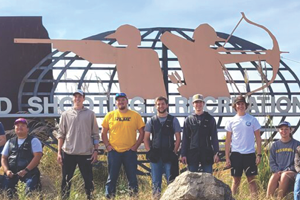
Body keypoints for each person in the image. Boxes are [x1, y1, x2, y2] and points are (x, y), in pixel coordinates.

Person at [57, 89, 99, 199]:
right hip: (68, 152)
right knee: (66, 180)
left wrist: (96, 150)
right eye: (75, 96)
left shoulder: (90, 114)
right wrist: (59, 153)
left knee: (88, 180)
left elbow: (95, 134)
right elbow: (61, 134)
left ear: (84, 99)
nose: (77, 98)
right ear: (72, 98)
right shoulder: (65, 114)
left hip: (85, 153)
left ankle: (90, 197)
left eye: (80, 96)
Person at [101, 92, 145, 198]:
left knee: (132, 178)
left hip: (129, 152)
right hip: (114, 152)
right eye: (119, 100)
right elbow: (103, 132)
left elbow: (142, 133)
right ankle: (110, 197)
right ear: (116, 103)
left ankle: (133, 197)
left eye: (123, 100)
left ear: (127, 101)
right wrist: (107, 146)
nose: (121, 102)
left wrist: (135, 147)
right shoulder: (110, 115)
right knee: (112, 178)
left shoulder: (135, 115)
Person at [225, 95, 262, 199]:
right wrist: (227, 157)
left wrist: (259, 154)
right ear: (235, 106)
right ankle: (232, 198)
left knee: (252, 180)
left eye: (242, 104)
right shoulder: (231, 121)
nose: (240, 106)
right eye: (238, 104)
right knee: (236, 180)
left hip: (250, 154)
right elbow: (228, 141)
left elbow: (258, 138)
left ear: (245, 105)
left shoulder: (252, 119)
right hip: (236, 154)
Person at [144, 96, 181, 198]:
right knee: (156, 182)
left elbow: (178, 137)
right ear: (156, 106)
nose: (161, 106)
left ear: (167, 105)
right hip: (155, 155)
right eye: (158, 104)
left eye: (163, 104)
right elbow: (146, 138)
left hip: (169, 155)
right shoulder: (151, 120)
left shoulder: (173, 120)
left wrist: (174, 151)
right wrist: (149, 151)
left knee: (171, 181)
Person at [1, 118, 42, 197]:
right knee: (5, 192)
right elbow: (3, 158)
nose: (19, 127)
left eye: (22, 125)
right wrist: (6, 171)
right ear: (15, 129)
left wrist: (25, 170)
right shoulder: (9, 142)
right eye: (17, 126)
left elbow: (37, 157)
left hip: (29, 175)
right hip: (11, 175)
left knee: (28, 192)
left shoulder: (34, 141)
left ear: (27, 129)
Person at [181, 94, 219, 173]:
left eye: (200, 102)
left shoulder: (210, 119)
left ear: (203, 104)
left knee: (208, 179)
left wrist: (216, 152)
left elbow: (214, 137)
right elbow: (185, 138)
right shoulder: (188, 120)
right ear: (193, 104)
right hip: (192, 152)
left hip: (206, 152)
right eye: (196, 102)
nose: (198, 104)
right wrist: (183, 154)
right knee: (191, 179)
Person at [266, 121, 299, 199]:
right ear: (279, 131)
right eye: (281, 129)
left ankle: (279, 198)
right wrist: (277, 170)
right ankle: (267, 198)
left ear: (291, 130)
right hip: (279, 171)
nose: (284, 131)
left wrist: (286, 170)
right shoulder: (275, 145)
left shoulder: (297, 144)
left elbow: (297, 162)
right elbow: (272, 162)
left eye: (286, 129)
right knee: (274, 176)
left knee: (284, 175)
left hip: (292, 172)